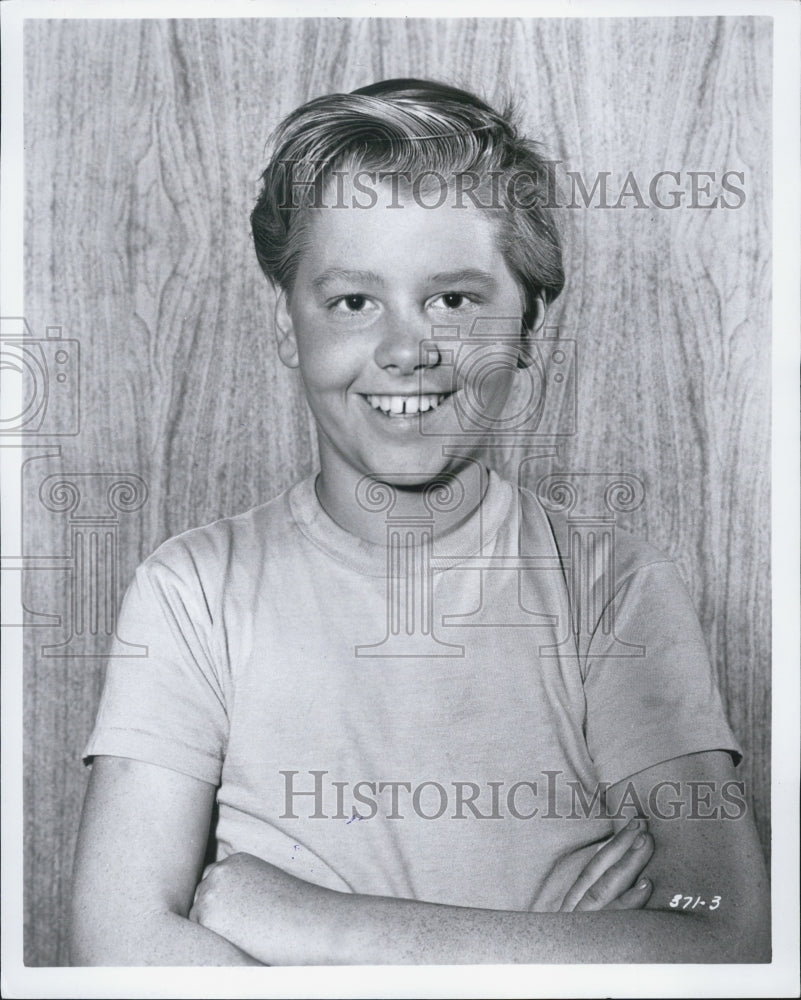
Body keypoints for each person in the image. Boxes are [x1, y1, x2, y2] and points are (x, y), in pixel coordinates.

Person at [69, 79, 769, 965]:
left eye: (454, 300)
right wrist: (565, 947)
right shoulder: (192, 592)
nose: (407, 350)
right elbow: (116, 947)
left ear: (527, 328)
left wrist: (310, 923)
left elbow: (727, 939)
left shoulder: (616, 590)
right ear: (290, 326)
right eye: (353, 302)